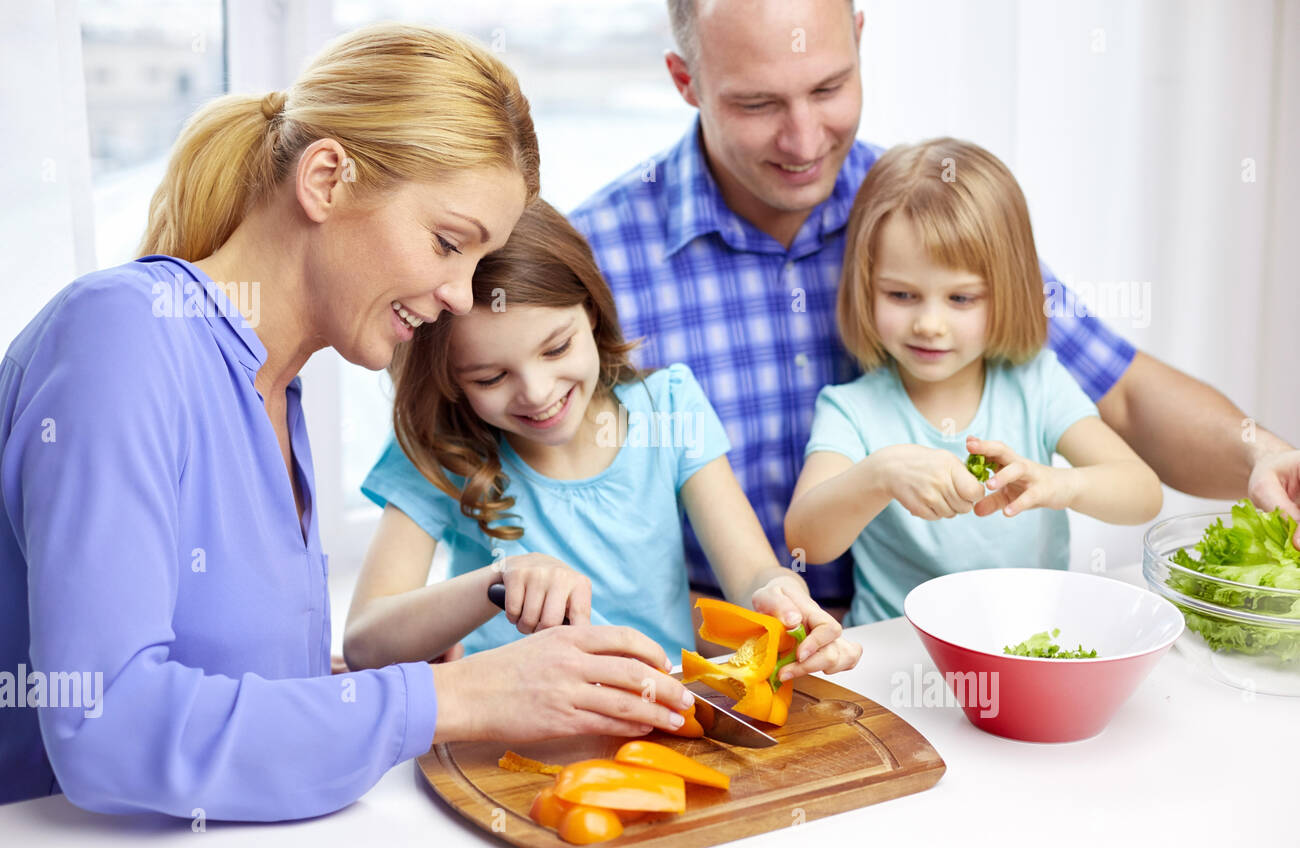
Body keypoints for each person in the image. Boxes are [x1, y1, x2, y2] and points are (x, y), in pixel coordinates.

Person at [0, 24, 694, 817]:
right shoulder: (122, 335)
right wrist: (451, 697)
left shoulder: (276, 396)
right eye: (447, 243)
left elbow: (228, 694)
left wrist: (358, 688)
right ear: (326, 179)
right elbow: (107, 725)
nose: (461, 298)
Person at [568, 0, 1300, 618]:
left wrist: (1264, 457)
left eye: (828, 89)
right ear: (685, 80)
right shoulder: (594, 258)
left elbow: (1126, 399)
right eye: (757, 103)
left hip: (936, 644)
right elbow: (530, 476)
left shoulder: (921, 213)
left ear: (860, 39)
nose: (802, 140)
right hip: (714, 646)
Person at [346, 199, 860, 679]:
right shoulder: (441, 445)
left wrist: (782, 598)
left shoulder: (669, 406)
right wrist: (495, 582)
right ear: (452, 382)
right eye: (489, 378)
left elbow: (750, 575)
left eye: (556, 348)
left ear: (590, 311)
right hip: (508, 725)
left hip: (659, 708)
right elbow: (366, 643)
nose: (537, 393)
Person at [785, 139, 1162, 624]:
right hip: (895, 663)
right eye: (901, 294)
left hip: (1028, 648)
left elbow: (1142, 493)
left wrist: (1061, 484)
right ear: (866, 287)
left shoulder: (1037, 383)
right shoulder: (851, 409)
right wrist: (879, 475)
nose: (929, 324)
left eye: (961, 299)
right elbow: (804, 540)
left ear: (1007, 293)